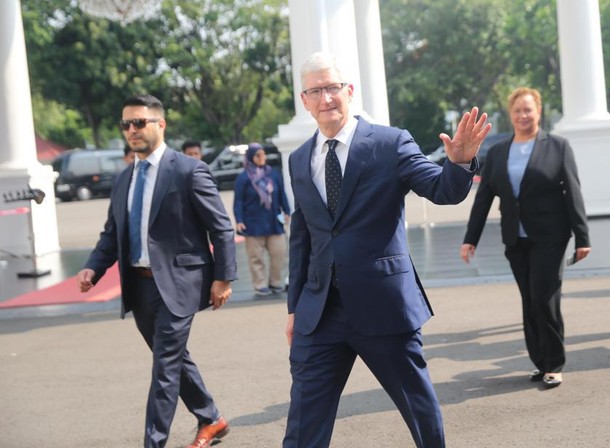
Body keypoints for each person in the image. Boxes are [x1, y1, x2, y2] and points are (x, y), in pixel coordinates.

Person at [283, 51, 491, 448]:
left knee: (419, 409)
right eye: (316, 91)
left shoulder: (390, 143)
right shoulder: (298, 160)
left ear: (349, 91)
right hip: (320, 312)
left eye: (332, 88)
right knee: (303, 425)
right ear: (304, 100)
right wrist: (295, 308)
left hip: (382, 306)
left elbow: (440, 189)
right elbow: (304, 240)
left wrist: (460, 163)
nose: (326, 98)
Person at [76, 94, 237, 448]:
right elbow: (111, 233)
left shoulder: (188, 170)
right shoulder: (123, 179)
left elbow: (221, 228)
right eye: (126, 124)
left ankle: (155, 442)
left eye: (139, 123)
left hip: (180, 284)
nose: (132, 130)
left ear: (160, 124)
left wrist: (223, 278)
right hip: (140, 286)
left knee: (164, 369)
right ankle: (212, 418)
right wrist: (93, 268)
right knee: (174, 360)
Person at [461, 87, 590, 389]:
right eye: (517, 111)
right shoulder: (497, 153)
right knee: (530, 300)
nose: (523, 116)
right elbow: (483, 199)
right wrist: (471, 239)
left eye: (528, 110)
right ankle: (540, 362)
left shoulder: (557, 146)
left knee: (545, 298)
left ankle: (554, 364)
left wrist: (582, 236)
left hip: (551, 236)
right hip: (516, 240)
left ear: (539, 112)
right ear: (511, 114)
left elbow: (573, 192)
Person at [233, 142, 291, 295]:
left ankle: (275, 282)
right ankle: (259, 284)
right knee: (256, 257)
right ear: (251, 157)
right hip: (253, 223)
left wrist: (287, 211)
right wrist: (239, 220)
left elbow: (281, 194)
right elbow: (238, 200)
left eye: (263, 154)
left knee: (280, 253)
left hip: (273, 221)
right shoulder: (243, 178)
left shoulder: (273, 174)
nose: (262, 157)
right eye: (257, 155)